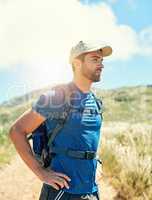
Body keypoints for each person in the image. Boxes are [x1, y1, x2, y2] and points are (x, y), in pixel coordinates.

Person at [9, 40, 112, 200]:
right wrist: (41, 173)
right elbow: (17, 131)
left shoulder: (96, 101)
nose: (101, 65)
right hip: (62, 193)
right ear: (77, 63)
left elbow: (85, 140)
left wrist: (95, 160)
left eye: (101, 60)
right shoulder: (56, 97)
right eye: (94, 59)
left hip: (91, 191)